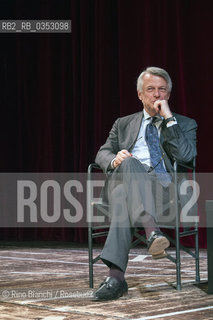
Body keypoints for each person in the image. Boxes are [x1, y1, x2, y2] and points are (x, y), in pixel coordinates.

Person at [94, 66, 197, 300]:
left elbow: (186, 156)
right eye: (150, 89)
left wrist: (169, 120)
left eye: (162, 90)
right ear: (140, 94)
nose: (157, 94)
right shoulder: (123, 123)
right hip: (128, 181)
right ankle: (152, 232)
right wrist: (114, 159)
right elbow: (102, 153)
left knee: (122, 198)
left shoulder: (185, 124)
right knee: (129, 163)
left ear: (168, 95)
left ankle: (115, 278)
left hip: (164, 193)